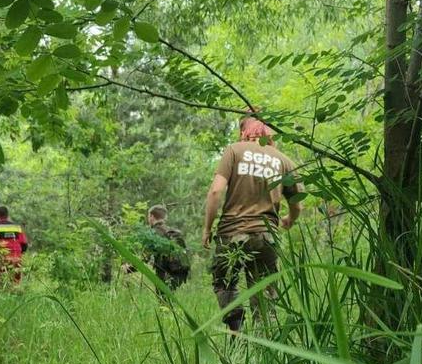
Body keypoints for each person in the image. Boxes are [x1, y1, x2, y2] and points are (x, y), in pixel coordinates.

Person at [202, 115, 303, 331]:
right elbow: (296, 203)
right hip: (266, 237)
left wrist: (207, 229)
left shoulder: (234, 151)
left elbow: (216, 191)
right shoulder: (284, 161)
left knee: (224, 282)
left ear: (243, 130)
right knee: (264, 295)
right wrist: (289, 220)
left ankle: (236, 328)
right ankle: (266, 347)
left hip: (232, 233)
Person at [122, 205, 190, 290]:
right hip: (182, 272)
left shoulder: (153, 234)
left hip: (165, 272)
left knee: (164, 299)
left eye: (148, 217)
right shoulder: (173, 232)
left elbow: (145, 257)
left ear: (151, 216)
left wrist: (129, 269)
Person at [0, 205, 28, 286]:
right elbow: (24, 244)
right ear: (7, 215)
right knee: (15, 284)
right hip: (16, 259)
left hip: (2, 259)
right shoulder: (17, 227)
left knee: (0, 284)